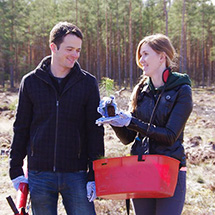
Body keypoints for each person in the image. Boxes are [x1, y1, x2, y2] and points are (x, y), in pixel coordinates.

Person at [9, 21, 104, 215]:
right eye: (70, 49)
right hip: (39, 174)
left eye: (78, 50)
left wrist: (95, 174)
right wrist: (15, 169)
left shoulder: (87, 83)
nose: (75, 55)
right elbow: (21, 128)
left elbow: (95, 131)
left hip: (77, 174)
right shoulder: (31, 82)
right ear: (53, 47)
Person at [96, 34, 192, 215]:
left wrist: (131, 121)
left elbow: (170, 136)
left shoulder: (182, 90)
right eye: (140, 55)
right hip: (140, 170)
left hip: (170, 170)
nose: (141, 60)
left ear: (162, 57)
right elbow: (128, 138)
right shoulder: (140, 90)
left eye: (146, 54)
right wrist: (114, 120)